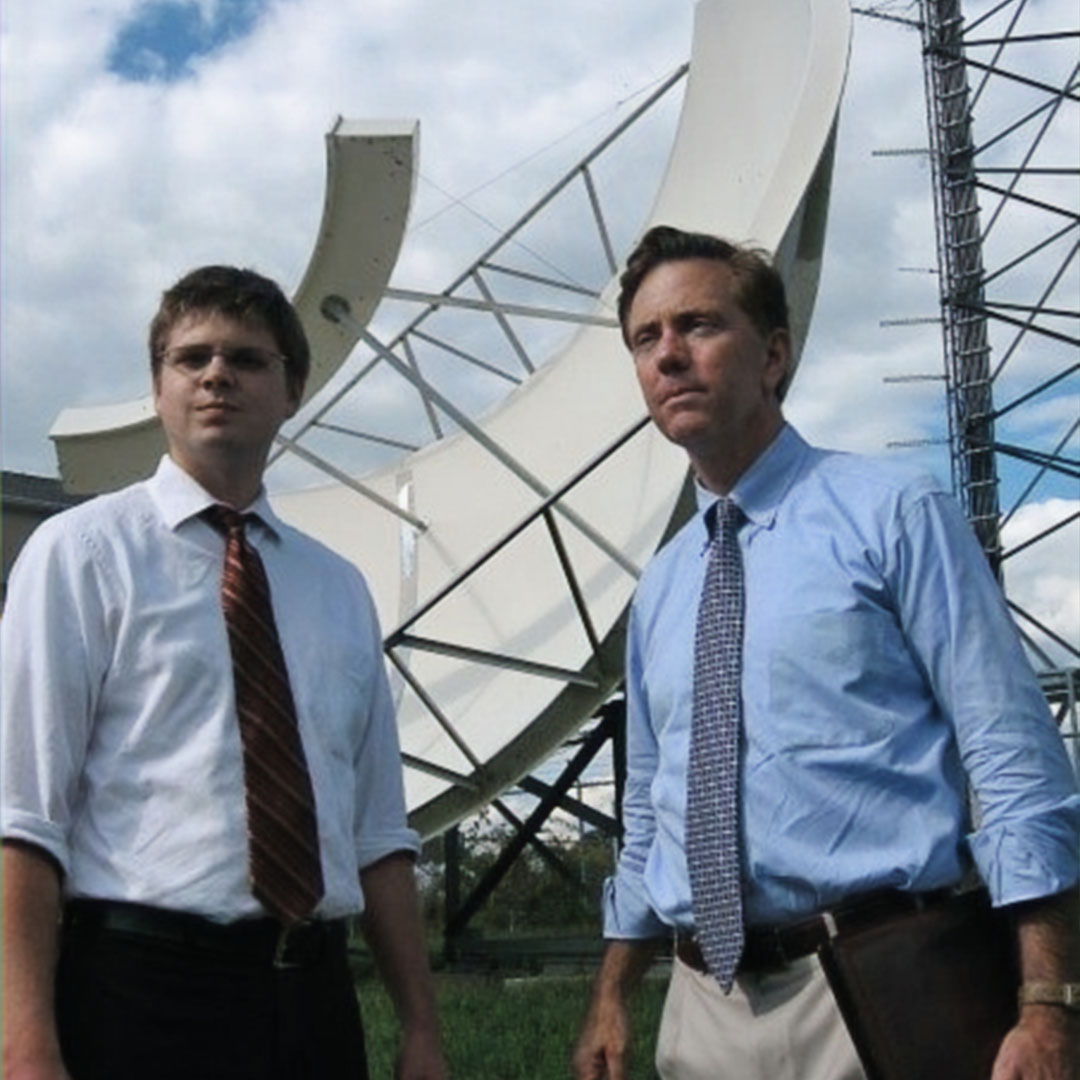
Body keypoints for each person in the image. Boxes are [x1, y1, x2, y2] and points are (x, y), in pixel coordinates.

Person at [572, 226, 1080, 1080]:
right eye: (645, 338)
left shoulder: (894, 515)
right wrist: (612, 993)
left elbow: (1012, 762)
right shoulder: (662, 586)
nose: (668, 355)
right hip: (703, 1012)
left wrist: (1048, 1004)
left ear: (774, 355)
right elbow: (652, 816)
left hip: (880, 990)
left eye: (699, 325)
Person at [1, 266, 447, 1080]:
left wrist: (421, 1028)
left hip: (314, 1001)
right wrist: (24, 1044)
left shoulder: (339, 588)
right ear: (158, 387)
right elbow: (25, 818)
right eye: (191, 357)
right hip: (139, 997)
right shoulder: (82, 556)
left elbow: (379, 833)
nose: (216, 375)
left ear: (292, 389)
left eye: (246, 359)